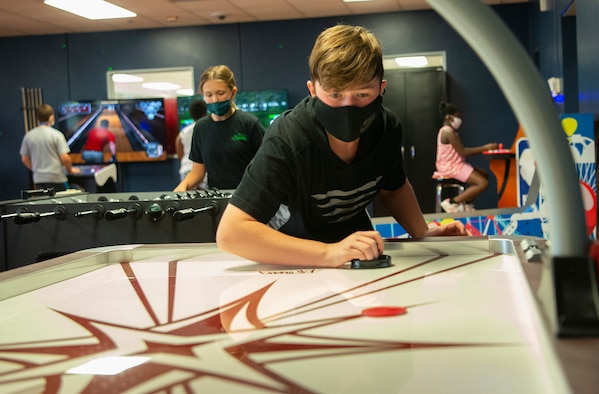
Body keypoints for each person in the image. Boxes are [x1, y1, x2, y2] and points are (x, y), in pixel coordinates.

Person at [216, 24, 467, 269]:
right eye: (335, 95)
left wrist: (422, 234)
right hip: (295, 259)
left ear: (381, 88)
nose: (349, 107)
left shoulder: (386, 126)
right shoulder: (288, 138)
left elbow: (393, 188)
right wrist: (327, 252)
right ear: (312, 90)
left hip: (357, 254)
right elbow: (232, 233)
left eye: (362, 94)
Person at [174, 65, 265, 191]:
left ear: (232, 93)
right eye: (208, 95)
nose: (215, 100)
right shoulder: (201, 128)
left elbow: (266, 166)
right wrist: (182, 187)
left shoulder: (249, 123)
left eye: (220, 93)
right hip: (217, 199)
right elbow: (197, 172)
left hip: (248, 197)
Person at [434, 101, 498, 213]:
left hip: (456, 163)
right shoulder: (448, 133)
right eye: (457, 116)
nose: (459, 119)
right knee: (482, 183)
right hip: (451, 166)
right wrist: (485, 147)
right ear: (448, 116)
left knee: (484, 174)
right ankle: (452, 202)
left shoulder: (449, 131)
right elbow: (463, 152)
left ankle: (467, 203)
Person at [20, 103, 80, 191]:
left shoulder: (29, 136)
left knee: (44, 203)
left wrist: (37, 170)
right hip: (56, 178)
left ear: (37, 118)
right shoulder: (57, 135)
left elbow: (24, 159)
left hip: (38, 179)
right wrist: (70, 170)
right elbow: (65, 158)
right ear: (51, 117)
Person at [176, 99, 208, 189]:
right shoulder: (208, 130)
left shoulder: (184, 132)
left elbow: (180, 155)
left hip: (186, 169)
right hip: (205, 172)